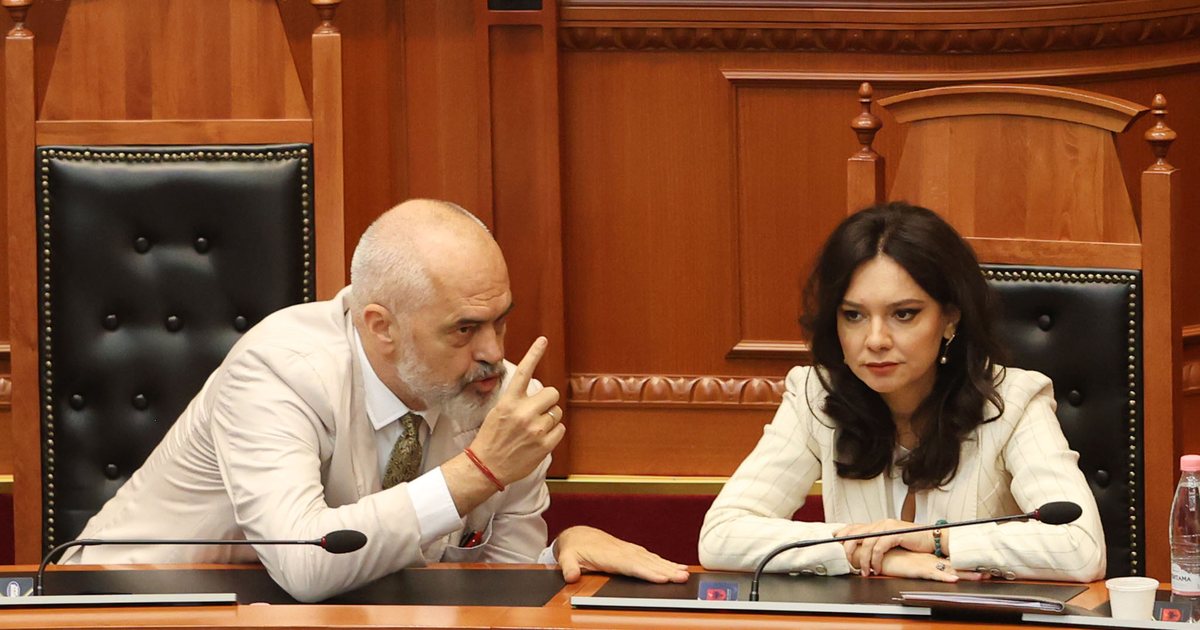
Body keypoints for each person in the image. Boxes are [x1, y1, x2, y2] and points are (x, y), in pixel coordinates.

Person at [62, 199, 689, 601]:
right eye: (464, 329)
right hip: (130, 608)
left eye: (501, 320)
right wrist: (477, 474)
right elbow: (306, 563)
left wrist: (556, 559)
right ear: (381, 325)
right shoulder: (278, 368)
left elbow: (492, 593)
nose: (494, 353)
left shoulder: (496, 400)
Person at [698, 201, 1105, 583]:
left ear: (950, 317)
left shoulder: (1013, 400)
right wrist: (875, 553)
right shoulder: (815, 396)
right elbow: (721, 535)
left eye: (903, 314)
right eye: (853, 315)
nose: (875, 340)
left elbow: (1081, 548)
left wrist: (934, 540)